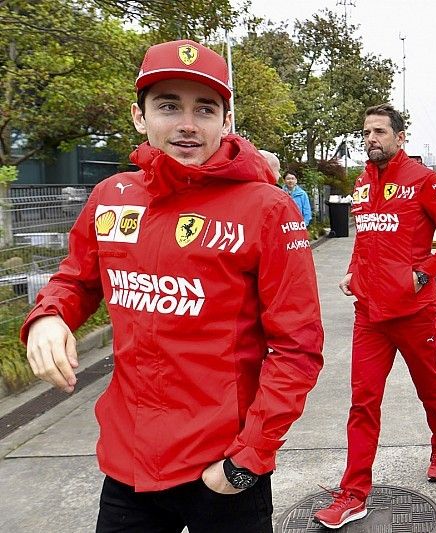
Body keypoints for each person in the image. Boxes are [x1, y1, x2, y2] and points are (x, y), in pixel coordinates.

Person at [20, 39, 324, 533]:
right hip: (129, 463)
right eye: (168, 106)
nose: (187, 123)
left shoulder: (267, 208)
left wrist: (248, 459)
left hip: (222, 467)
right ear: (139, 116)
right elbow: (75, 279)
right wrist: (50, 315)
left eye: (205, 109)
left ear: (225, 122)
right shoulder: (112, 196)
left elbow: (298, 348)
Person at [313, 103, 436, 529]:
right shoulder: (362, 183)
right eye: (366, 132)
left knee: (429, 386)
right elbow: (368, 237)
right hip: (370, 315)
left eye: (380, 131)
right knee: (363, 402)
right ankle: (354, 493)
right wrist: (354, 271)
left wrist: (424, 273)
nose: (371, 138)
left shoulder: (424, 181)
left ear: (400, 138)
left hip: (415, 312)